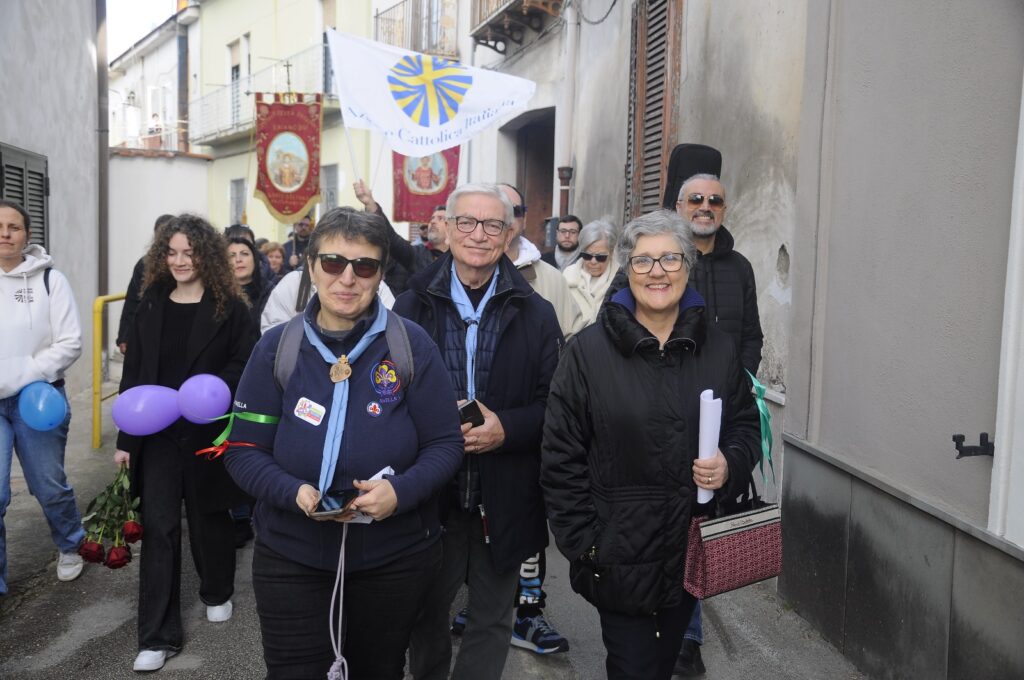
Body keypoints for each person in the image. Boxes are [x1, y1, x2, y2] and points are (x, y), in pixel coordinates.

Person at [222, 207, 464, 678]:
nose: (347, 278)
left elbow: (445, 445)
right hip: (291, 553)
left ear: (380, 273)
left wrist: (402, 492)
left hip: (394, 557)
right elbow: (243, 449)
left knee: (378, 670)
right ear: (310, 266)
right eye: (333, 263)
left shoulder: (411, 346)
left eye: (365, 266)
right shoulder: (276, 349)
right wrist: (292, 492)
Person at [540, 209, 760, 680]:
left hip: (688, 553)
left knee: (663, 667)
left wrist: (730, 464)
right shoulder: (587, 353)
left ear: (688, 266)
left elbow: (745, 426)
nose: (657, 272)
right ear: (627, 268)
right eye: (643, 261)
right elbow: (561, 458)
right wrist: (586, 546)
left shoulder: (718, 348)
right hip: (618, 555)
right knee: (633, 668)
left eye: (670, 259)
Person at [400, 183, 562, 679]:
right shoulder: (409, 307)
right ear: (445, 228)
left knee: (492, 619)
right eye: (466, 222)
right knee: (426, 616)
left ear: (509, 233)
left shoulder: (536, 313)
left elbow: (556, 408)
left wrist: (505, 429)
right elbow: (383, 398)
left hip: (505, 493)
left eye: (493, 224)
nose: (478, 234)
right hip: (433, 495)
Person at [114, 215, 257, 672]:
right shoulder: (150, 303)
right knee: (159, 528)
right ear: (161, 256)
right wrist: (125, 439)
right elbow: (134, 374)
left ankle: (217, 589)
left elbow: (246, 362)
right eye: (171, 252)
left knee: (208, 514)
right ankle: (157, 635)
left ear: (206, 255)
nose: (179, 261)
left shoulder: (229, 308)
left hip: (206, 428)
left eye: (189, 252)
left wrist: (213, 388)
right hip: (156, 434)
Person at [673, 172, 764, 676]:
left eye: (715, 201)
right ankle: (676, 632)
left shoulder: (741, 267)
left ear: (724, 210)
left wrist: (739, 384)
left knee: (703, 519)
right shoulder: (663, 258)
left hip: (723, 414)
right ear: (680, 205)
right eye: (697, 199)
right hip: (670, 407)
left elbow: (751, 335)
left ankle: (687, 634)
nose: (706, 207)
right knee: (676, 516)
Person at [0, 200, 84, 595]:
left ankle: (71, 544)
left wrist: (19, 375)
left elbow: (70, 344)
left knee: (48, 485)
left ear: (27, 236)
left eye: (13, 227)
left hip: (37, 400)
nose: (5, 233)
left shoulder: (51, 280)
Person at [116, 214, 174, 355]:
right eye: (161, 235)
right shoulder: (144, 265)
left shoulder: (188, 265)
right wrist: (125, 337)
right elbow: (132, 301)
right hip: (148, 334)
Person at [562, 218, 618, 326]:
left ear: (611, 253)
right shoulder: (568, 276)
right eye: (587, 256)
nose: (593, 262)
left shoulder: (621, 280)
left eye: (600, 257)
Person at [227, 237, 274, 330]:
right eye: (231, 255)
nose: (238, 259)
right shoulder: (217, 293)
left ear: (255, 259)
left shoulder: (271, 292)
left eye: (244, 254)